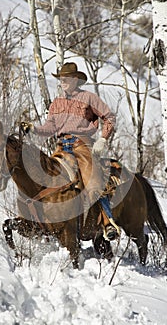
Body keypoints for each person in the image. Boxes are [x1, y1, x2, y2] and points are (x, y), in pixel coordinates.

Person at [26, 62, 118, 240]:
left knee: (93, 182)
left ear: (76, 80)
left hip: (82, 144)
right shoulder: (56, 103)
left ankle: (107, 222)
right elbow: (50, 127)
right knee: (46, 179)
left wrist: (103, 139)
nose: (63, 82)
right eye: (61, 79)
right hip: (61, 147)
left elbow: (109, 117)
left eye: (66, 79)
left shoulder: (89, 98)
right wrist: (34, 129)